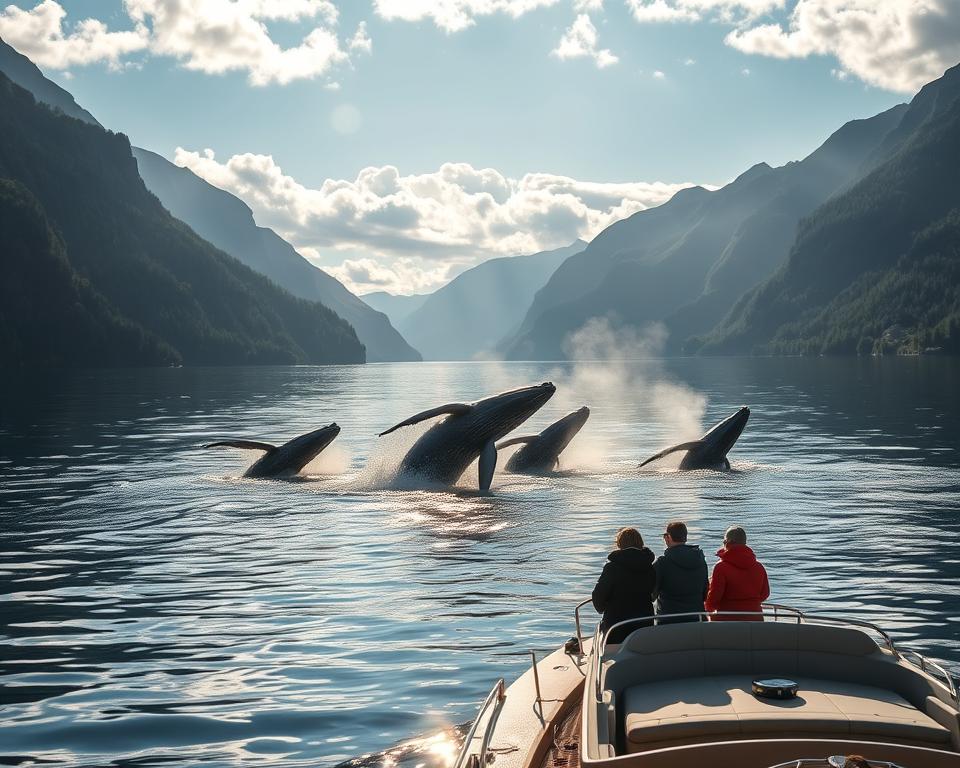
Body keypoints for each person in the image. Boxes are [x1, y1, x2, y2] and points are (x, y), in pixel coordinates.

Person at [592, 527, 656, 644]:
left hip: (616, 626)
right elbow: (652, 592)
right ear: (640, 543)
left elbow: (598, 597)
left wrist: (602, 608)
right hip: (644, 624)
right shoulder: (650, 567)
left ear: (620, 544)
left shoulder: (612, 568)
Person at [705, 525, 770, 621]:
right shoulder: (759, 567)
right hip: (755, 619)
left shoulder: (721, 567)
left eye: (724, 542)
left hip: (727, 621)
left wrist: (708, 609)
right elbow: (765, 594)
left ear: (728, 543)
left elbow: (714, 599)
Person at [653, 521, 709, 624]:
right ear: (685, 538)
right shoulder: (701, 561)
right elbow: (705, 594)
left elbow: (652, 594)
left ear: (668, 537)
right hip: (697, 619)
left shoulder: (662, 563)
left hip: (669, 621)